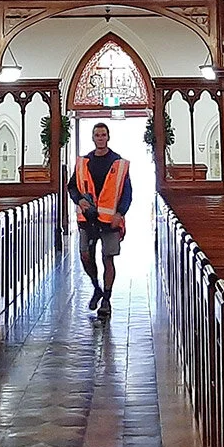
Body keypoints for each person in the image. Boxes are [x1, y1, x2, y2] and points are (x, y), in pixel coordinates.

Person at [67, 122, 132, 319]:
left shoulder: (118, 163)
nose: (100, 138)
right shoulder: (84, 162)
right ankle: (96, 287)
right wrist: (79, 200)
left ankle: (106, 299)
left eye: (103, 134)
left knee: (107, 258)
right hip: (87, 219)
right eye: (97, 135)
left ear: (108, 137)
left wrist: (120, 213)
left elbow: (127, 192)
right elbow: (72, 186)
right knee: (85, 255)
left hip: (109, 219)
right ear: (93, 137)